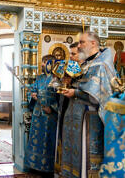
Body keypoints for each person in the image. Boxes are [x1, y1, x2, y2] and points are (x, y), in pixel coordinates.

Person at [60, 31, 116, 178]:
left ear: (93, 43)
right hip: (75, 115)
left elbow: (97, 96)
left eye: (81, 42)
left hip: (90, 119)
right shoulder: (85, 64)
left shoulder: (101, 65)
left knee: (85, 158)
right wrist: (68, 83)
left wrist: (75, 92)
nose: (78, 46)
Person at [24, 54, 58, 175]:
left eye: (46, 62)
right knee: (36, 140)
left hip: (50, 116)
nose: (43, 65)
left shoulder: (57, 79)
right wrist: (32, 94)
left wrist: (53, 109)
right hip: (38, 114)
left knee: (48, 140)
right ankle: (35, 165)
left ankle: (48, 168)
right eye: (43, 62)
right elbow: (32, 89)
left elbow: (61, 98)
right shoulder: (40, 78)